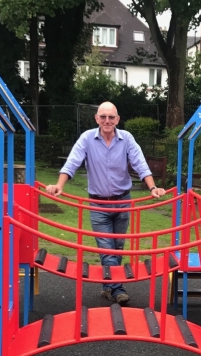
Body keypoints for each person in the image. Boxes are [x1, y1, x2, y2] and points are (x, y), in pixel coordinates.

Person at [44, 102, 165, 306]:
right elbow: (73, 162)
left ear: (117, 119)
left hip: (122, 201)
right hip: (98, 204)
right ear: (96, 119)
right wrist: (59, 185)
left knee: (117, 247)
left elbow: (139, 163)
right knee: (107, 249)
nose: (107, 121)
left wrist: (152, 188)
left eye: (111, 117)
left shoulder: (126, 139)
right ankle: (117, 289)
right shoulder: (87, 139)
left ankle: (108, 286)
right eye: (103, 117)